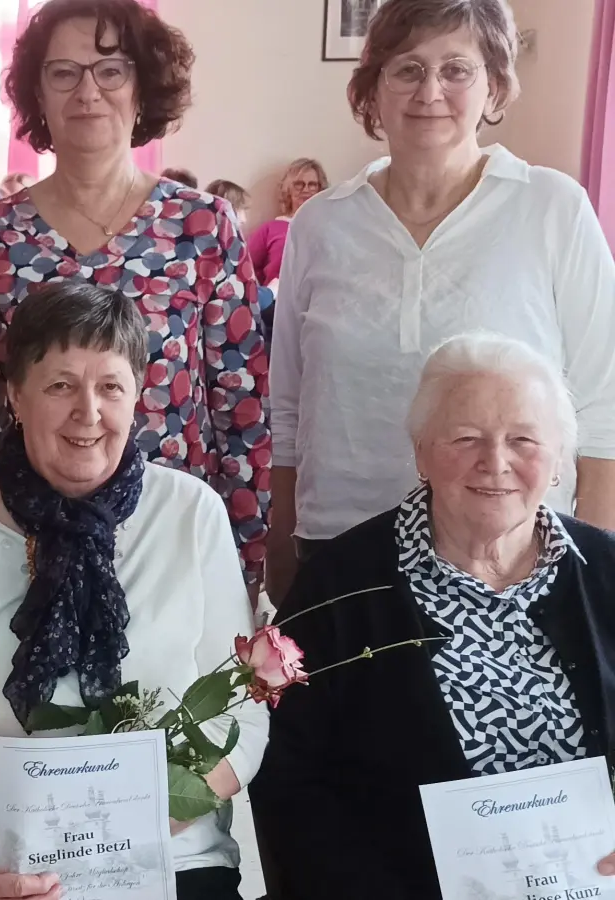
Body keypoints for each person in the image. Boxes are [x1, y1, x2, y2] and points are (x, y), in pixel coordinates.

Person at [0, 282, 268, 900]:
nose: (88, 412)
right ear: (15, 394)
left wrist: (126, 835)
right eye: (61, 385)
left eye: (111, 387)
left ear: (138, 396)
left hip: (170, 861)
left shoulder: (191, 515)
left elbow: (243, 720)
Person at [265, 0, 615, 603]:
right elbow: (290, 410)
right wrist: (279, 539)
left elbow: (603, 408)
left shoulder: (552, 208)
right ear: (372, 89)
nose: (430, 91)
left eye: (456, 69)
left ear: (493, 85)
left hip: (507, 557)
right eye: (407, 69)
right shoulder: (320, 225)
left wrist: (596, 570)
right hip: (340, 550)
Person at [0, 0, 270, 596]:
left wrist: (243, 561)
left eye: (111, 70)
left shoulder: (203, 227)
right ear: (38, 93)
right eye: (64, 72)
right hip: (19, 543)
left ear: (142, 87)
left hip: (168, 540)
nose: (88, 92)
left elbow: (240, 408)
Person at [251, 333, 615, 899]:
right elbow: (291, 784)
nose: (495, 462)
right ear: (421, 453)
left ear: (559, 461)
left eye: (523, 439)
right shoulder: (339, 588)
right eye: (466, 438)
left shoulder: (607, 570)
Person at [246, 158, 327, 288]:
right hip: (278, 298)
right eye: (299, 184)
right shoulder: (270, 229)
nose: (306, 190)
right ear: (288, 189)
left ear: (320, 189)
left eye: (312, 184)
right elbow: (246, 268)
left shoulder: (329, 228)